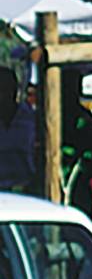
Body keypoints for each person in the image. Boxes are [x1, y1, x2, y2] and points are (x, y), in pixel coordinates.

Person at [0, 64, 37, 194]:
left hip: (26, 191)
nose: (2, 95)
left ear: (15, 90)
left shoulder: (30, 119)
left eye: (6, 89)